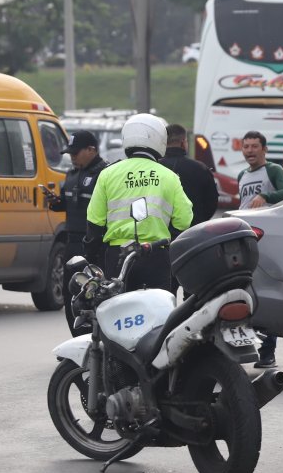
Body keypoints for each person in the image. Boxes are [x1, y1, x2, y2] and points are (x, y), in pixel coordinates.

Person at [85, 113, 193, 292]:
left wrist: (91, 256)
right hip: (155, 256)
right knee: (158, 312)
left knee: (115, 312)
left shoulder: (107, 174)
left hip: (117, 257)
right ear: (160, 140)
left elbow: (94, 222)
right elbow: (184, 220)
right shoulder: (169, 177)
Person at [237, 130, 283, 368]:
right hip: (243, 240)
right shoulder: (241, 175)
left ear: (264, 149)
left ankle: (267, 352)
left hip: (265, 241)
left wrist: (266, 195)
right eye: (246, 146)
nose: (250, 151)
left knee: (265, 294)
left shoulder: (273, 170)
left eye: (254, 146)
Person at [45, 130, 108, 331]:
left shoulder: (105, 174)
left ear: (91, 150)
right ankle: (77, 342)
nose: (72, 157)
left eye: (75, 153)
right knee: (70, 293)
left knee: (94, 295)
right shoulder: (71, 175)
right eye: (69, 154)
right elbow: (67, 204)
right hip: (72, 243)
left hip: (95, 244)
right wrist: (55, 202)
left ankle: (96, 341)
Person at [159, 123, 218, 227]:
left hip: (160, 232)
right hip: (193, 231)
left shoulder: (155, 167)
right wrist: (199, 220)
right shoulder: (200, 169)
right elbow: (211, 203)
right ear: (183, 143)